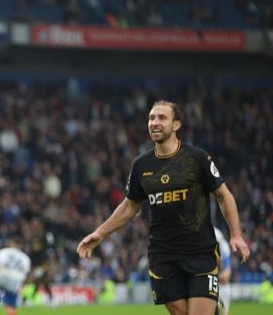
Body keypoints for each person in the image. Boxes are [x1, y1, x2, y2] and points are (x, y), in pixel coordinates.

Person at [77, 100, 250, 315]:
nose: (154, 123)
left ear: (176, 125)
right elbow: (130, 205)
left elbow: (224, 196)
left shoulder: (197, 158)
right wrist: (100, 232)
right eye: (151, 118)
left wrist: (236, 234)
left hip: (199, 252)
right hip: (163, 255)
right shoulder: (141, 165)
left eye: (161, 118)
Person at [0, 239, 31, 315]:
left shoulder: (3, 252)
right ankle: (10, 310)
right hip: (13, 281)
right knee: (10, 305)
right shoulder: (25, 257)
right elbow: (25, 274)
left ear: (11, 243)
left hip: (1, 277)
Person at [27, 217, 54, 305]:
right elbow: (32, 251)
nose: (34, 226)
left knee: (36, 280)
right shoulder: (33, 236)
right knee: (44, 281)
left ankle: (30, 300)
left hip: (43, 263)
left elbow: (51, 245)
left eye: (36, 224)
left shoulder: (45, 235)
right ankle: (51, 299)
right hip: (36, 263)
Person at [214, 226, 232, 315]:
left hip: (213, 261)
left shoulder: (223, 244)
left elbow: (227, 267)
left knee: (225, 278)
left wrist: (223, 271)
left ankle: (225, 311)